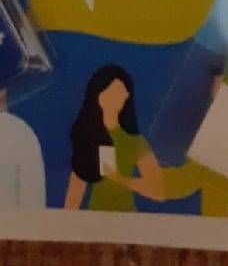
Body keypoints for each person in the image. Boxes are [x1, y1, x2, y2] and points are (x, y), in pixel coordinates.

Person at [63, 65, 166, 211]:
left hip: (127, 218)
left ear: (126, 96)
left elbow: (159, 191)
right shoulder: (87, 136)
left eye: (120, 92)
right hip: (95, 218)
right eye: (111, 91)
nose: (117, 97)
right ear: (98, 94)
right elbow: (75, 191)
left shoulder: (134, 140)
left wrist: (120, 179)